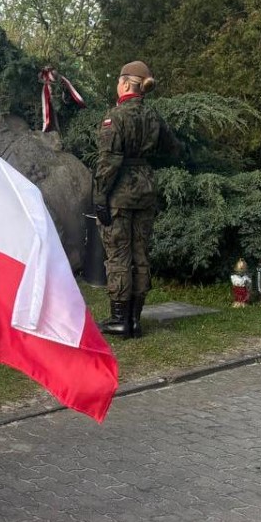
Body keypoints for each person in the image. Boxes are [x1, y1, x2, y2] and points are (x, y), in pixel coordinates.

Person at [93, 60, 181, 338]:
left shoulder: (114, 117)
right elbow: (173, 148)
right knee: (140, 254)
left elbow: (109, 162)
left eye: (118, 81)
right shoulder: (153, 116)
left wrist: (99, 197)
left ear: (125, 83)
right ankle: (134, 320)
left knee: (119, 254)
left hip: (119, 192)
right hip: (145, 189)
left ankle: (119, 320)